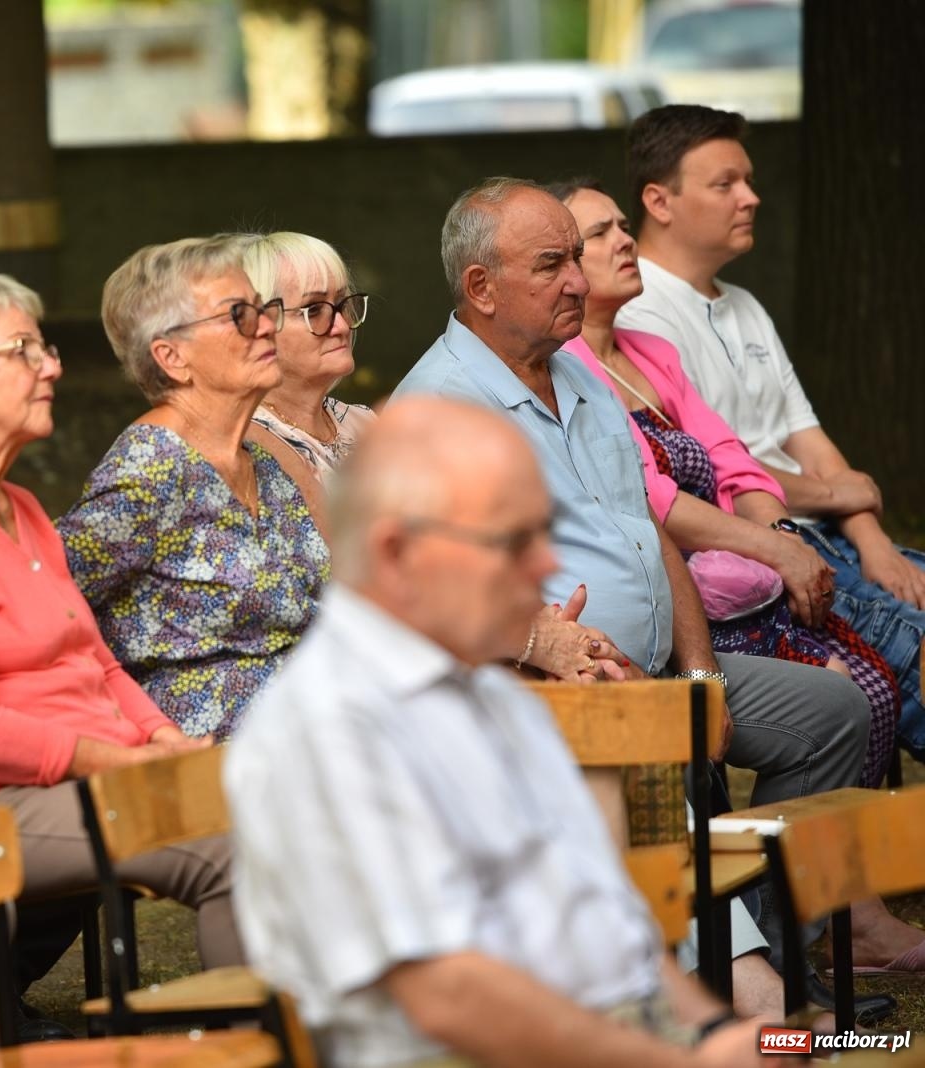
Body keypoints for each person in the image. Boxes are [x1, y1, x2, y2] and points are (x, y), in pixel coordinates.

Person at [392, 178, 884, 1016]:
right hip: (557, 692)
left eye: (576, 261)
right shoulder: (436, 409)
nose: (578, 283)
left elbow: (649, 533)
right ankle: (748, 996)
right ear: (481, 288)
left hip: (663, 663)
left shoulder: (577, 377)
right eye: (552, 265)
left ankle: (768, 952)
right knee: (647, 756)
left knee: (833, 711)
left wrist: (699, 674)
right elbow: (428, 597)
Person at [226, 394, 762, 1068]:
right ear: (398, 552)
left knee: (837, 1048)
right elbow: (448, 1000)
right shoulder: (329, 726)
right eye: (513, 541)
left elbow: (616, 938)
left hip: (632, 1038)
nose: (546, 566)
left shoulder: (493, 694)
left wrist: (723, 1034)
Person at [0, 273, 242, 972]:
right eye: (23, 351)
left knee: (289, 801)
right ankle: (270, 1039)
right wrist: (121, 764)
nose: (51, 366)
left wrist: (164, 738)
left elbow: (100, 664)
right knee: (240, 846)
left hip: (82, 782)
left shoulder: (21, 507)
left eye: (44, 348)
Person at [551, 178, 899, 789]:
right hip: (689, 598)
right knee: (849, 686)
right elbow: (649, 498)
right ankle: (810, 874)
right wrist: (772, 549)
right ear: (566, 266)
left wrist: (785, 536)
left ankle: (843, 868)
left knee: (873, 681)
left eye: (622, 226)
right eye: (600, 234)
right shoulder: (568, 369)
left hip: (742, 572)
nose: (625, 240)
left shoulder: (651, 351)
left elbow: (732, 459)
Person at [617, 104, 925, 772]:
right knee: (916, 648)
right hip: (760, 553)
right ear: (658, 201)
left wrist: (873, 540)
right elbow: (716, 469)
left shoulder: (745, 305)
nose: (750, 197)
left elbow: (805, 434)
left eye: (748, 180)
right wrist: (836, 492)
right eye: (725, 183)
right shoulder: (638, 312)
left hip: (823, 534)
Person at [58, 236, 330, 740]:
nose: (267, 325)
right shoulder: (150, 470)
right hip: (209, 769)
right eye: (240, 315)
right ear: (172, 357)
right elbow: (45, 600)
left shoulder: (262, 465)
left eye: (265, 309)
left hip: (315, 733)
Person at [238, 230, 374, 528]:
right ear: (259, 327)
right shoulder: (246, 445)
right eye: (314, 310)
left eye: (341, 304)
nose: (341, 325)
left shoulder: (364, 421)